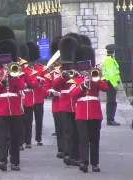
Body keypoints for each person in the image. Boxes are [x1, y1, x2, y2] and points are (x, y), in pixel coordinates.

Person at [70, 44, 108, 173]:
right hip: (81, 113)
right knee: (83, 138)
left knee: (95, 139)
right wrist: (82, 85)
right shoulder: (76, 79)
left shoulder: (95, 76)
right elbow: (72, 95)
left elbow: (105, 88)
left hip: (95, 112)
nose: (85, 70)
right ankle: (84, 162)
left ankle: (95, 163)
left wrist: (95, 79)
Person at [0, 38, 24, 172]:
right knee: (2, 137)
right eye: (4, 61)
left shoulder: (18, 72)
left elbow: (21, 86)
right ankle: (2, 159)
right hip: (2, 110)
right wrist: (3, 80)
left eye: (8, 60)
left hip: (16, 110)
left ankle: (15, 162)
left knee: (15, 137)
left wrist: (13, 77)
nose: (6, 63)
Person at [51, 36, 80, 166]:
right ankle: (67, 154)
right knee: (67, 131)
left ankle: (76, 155)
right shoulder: (60, 71)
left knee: (78, 131)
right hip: (65, 104)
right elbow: (55, 84)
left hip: (78, 104)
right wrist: (63, 76)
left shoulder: (79, 70)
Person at [101, 44, 120, 126]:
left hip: (110, 82)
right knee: (111, 101)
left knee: (112, 101)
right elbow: (111, 74)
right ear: (113, 52)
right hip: (110, 83)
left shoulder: (111, 59)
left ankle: (111, 118)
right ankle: (110, 119)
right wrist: (115, 84)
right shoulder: (109, 60)